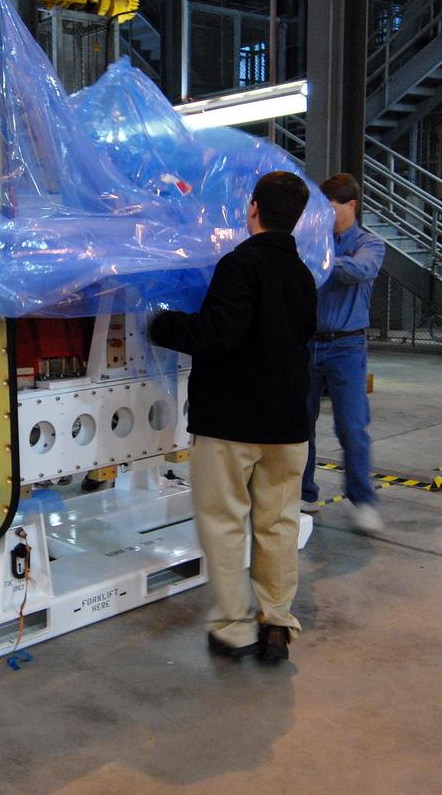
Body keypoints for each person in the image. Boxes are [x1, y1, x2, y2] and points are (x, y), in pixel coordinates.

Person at [149, 171, 317, 665]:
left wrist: (161, 323)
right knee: (279, 524)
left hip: (232, 423)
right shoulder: (303, 274)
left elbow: (218, 334)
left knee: (224, 524)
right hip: (289, 425)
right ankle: (277, 621)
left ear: (254, 209)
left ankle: (235, 628)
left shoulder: (238, 264)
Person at [299, 173, 386, 532]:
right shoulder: (311, 242)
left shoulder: (370, 244)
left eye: (332, 209)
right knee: (300, 424)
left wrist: (318, 260)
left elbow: (358, 270)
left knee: (351, 425)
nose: (326, 217)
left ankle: (362, 500)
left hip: (346, 347)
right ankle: (304, 493)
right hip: (307, 343)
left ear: (352, 205)